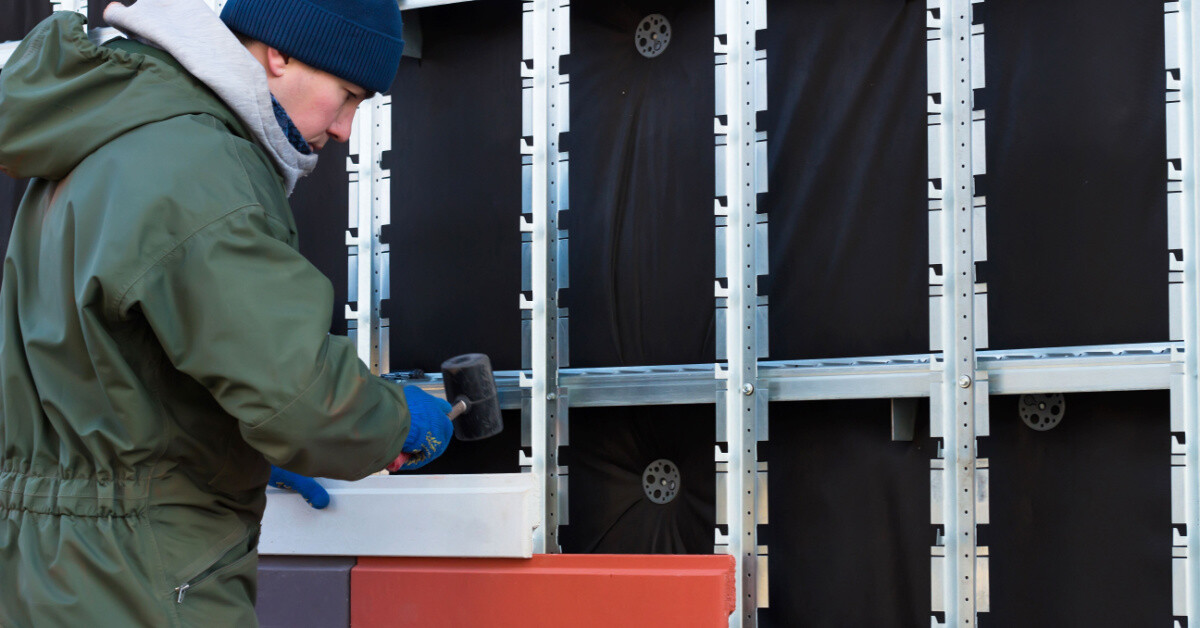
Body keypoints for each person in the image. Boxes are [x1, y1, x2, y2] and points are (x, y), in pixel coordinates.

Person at [0, 0, 454, 625]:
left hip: (46, 567)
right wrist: (394, 422)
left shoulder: (104, 134)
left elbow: (112, 365)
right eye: (347, 95)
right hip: (139, 576)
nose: (347, 127)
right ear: (280, 52)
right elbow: (304, 401)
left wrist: (226, 445)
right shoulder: (201, 167)